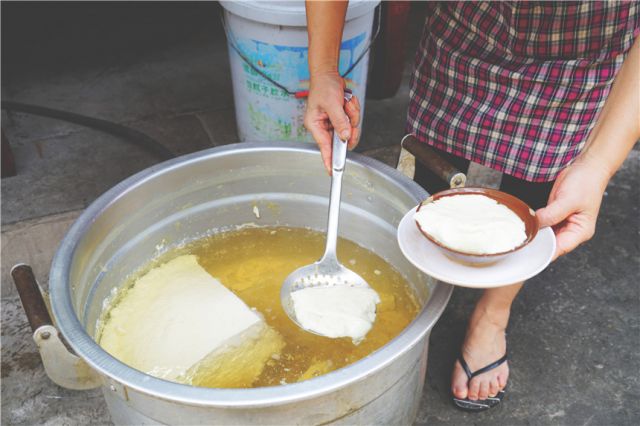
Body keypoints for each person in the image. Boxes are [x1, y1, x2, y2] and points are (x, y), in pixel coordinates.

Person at [304, 1, 639, 411]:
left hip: (583, 39)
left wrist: (599, 165)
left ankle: (492, 314)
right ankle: (416, 287)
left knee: (544, 177)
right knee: (432, 152)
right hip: (468, 20)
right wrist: (322, 71)